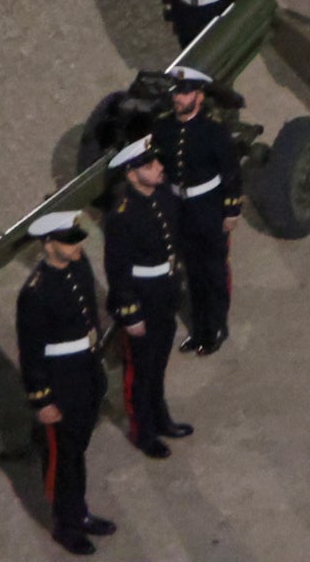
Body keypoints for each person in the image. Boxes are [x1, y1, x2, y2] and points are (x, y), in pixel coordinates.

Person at [17, 211, 117, 555]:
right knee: (63, 458)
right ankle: (66, 525)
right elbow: (31, 354)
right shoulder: (35, 293)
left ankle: (79, 512)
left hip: (85, 370)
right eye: (69, 240)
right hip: (59, 381)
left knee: (77, 452)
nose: (78, 245)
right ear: (48, 244)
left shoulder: (77, 267)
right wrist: (42, 400)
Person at [99, 138, 188, 458]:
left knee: (159, 362)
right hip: (142, 296)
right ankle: (143, 431)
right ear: (132, 173)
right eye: (150, 166)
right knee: (140, 369)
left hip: (164, 291)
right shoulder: (122, 213)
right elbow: (117, 268)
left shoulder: (163, 194)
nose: (160, 168)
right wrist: (130, 312)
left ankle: (160, 417)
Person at [152, 67, 240, 355]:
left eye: (185, 92)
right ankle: (199, 329)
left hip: (208, 209)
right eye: (177, 92)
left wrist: (231, 210)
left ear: (199, 97)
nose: (178, 98)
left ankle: (215, 327)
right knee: (192, 272)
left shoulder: (213, 132)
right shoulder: (164, 129)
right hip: (181, 209)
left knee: (212, 272)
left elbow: (230, 172)